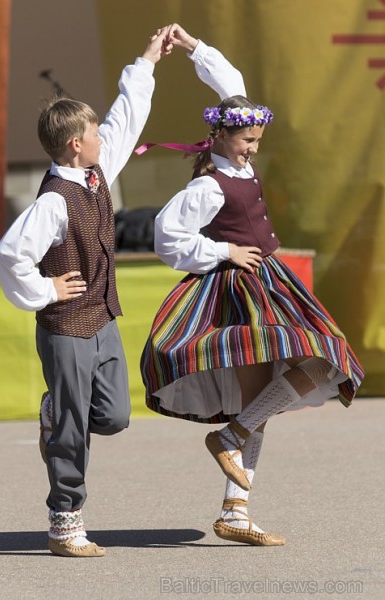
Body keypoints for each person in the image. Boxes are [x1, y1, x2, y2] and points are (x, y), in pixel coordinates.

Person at [139, 25, 364, 546]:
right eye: (246, 141)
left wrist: (195, 48)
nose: (252, 151)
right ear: (220, 136)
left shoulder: (234, 151)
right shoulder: (206, 184)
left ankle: (234, 478)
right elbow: (166, 236)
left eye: (257, 141)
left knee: (321, 358)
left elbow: (232, 85)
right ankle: (236, 500)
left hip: (271, 282)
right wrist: (221, 251)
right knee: (269, 386)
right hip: (234, 291)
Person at [0, 27, 175, 558]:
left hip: (103, 318)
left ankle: (55, 411)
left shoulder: (96, 174)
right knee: (74, 427)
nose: (103, 138)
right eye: (93, 133)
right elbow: (8, 255)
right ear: (76, 144)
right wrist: (45, 288)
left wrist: (146, 60)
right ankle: (65, 521)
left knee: (114, 415)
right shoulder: (52, 202)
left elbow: (126, 117)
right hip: (66, 326)